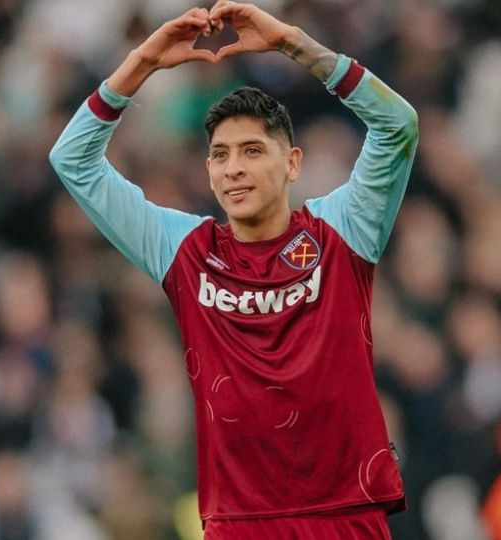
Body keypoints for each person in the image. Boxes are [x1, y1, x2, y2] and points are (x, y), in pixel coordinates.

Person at [49, 1, 418, 537]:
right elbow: (72, 160)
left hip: (343, 512)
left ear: (292, 162)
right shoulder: (183, 250)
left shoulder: (343, 231)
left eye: (252, 150)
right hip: (239, 523)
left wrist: (293, 43)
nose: (234, 168)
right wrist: (143, 62)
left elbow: (397, 124)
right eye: (220, 155)